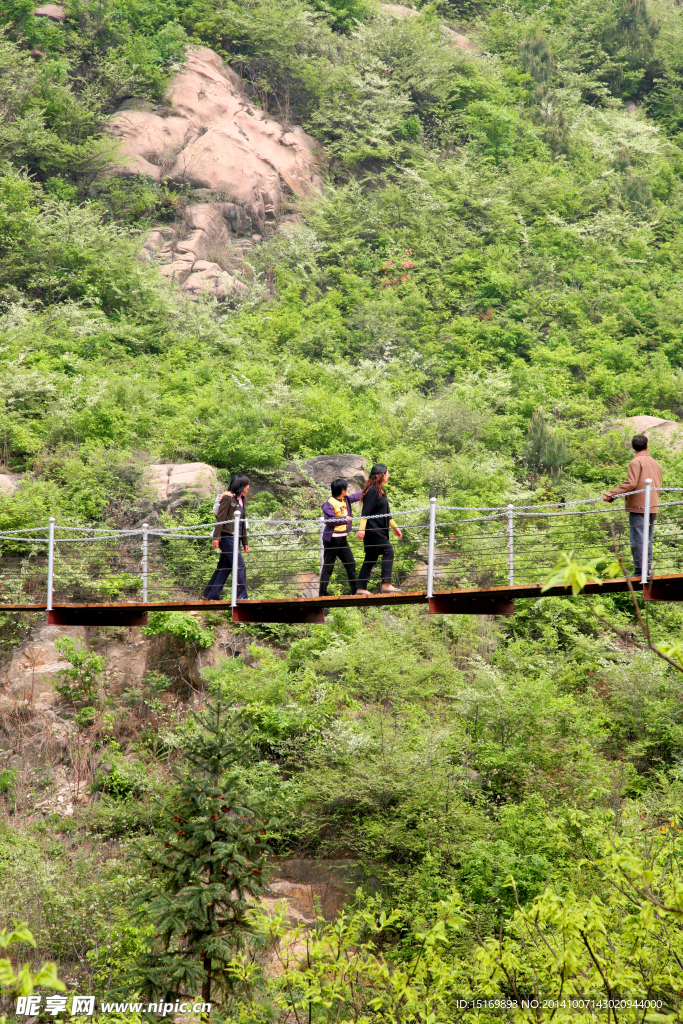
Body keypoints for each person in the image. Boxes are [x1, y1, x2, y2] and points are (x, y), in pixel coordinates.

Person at [603, 434, 662, 578]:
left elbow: (631, 483)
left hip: (638, 506)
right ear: (647, 446)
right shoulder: (656, 464)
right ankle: (646, 570)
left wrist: (611, 494)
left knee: (638, 539)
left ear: (633, 447)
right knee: (647, 538)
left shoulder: (635, 463)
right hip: (652, 505)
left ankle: (639, 571)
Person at [355, 464, 402, 595]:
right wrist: (361, 529)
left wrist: (395, 528)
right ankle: (386, 584)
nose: (388, 475)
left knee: (371, 557)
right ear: (381, 475)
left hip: (378, 530)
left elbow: (386, 514)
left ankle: (360, 588)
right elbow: (366, 512)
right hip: (373, 530)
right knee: (388, 551)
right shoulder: (373, 491)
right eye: (387, 473)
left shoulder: (380, 491)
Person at [203, 474, 250, 600]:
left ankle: (210, 594)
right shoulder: (228, 498)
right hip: (226, 536)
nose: (248, 487)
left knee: (226, 566)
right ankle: (241, 596)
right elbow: (220, 518)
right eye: (246, 484)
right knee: (240, 566)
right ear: (240, 486)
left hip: (235, 538)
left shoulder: (242, 500)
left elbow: (242, 523)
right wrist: (216, 537)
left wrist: (245, 541)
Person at [319, 478, 362, 597]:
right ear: (342, 490)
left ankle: (355, 591)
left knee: (351, 563)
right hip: (332, 539)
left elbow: (356, 496)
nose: (348, 490)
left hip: (343, 540)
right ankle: (322, 593)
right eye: (346, 488)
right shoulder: (329, 503)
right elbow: (329, 520)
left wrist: (370, 489)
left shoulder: (345, 499)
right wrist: (344, 519)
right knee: (328, 567)